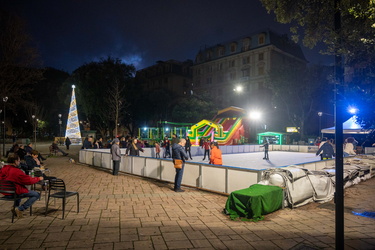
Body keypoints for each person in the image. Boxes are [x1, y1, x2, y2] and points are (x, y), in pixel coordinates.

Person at [0, 154, 43, 218]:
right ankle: (20, 209)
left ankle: (15, 207)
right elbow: (28, 181)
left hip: (5, 191)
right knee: (36, 194)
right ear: (15, 161)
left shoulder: (3, 169)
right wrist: (38, 178)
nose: (19, 162)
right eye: (19, 161)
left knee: (19, 190)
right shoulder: (17, 171)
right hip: (14, 192)